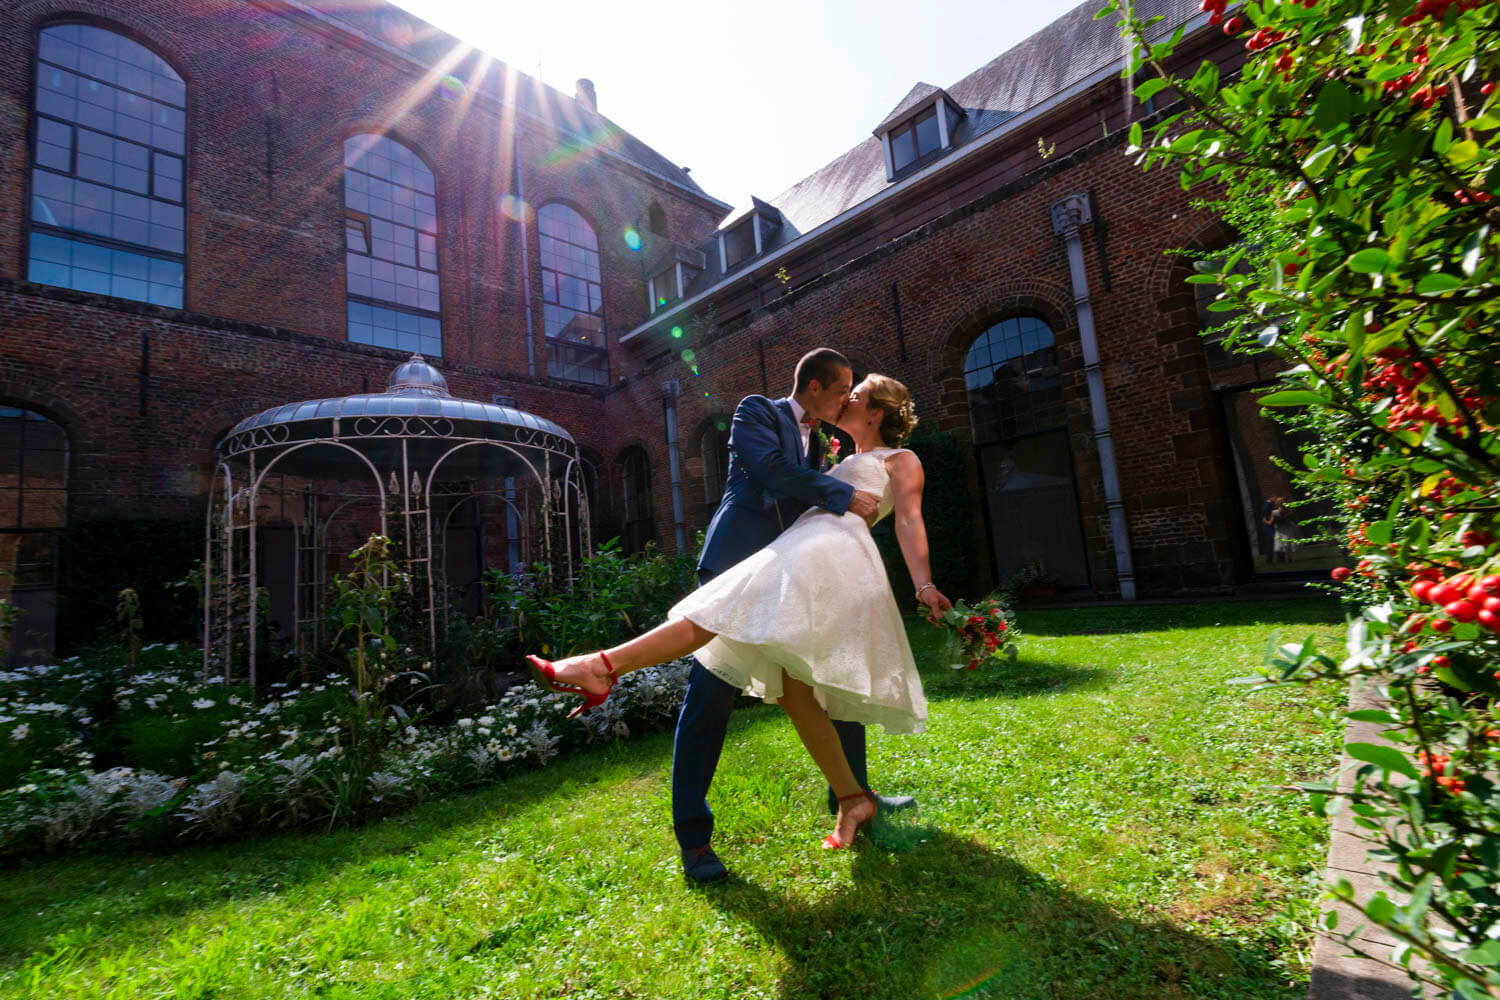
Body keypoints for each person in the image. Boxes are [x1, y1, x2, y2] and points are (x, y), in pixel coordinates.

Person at [526, 370, 953, 864]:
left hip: (826, 556)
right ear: (816, 387)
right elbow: (774, 474)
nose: (844, 401)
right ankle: (715, 830)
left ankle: (853, 797)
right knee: (766, 682)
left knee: (818, 683)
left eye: (853, 397)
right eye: (842, 391)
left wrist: (923, 584)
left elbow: (909, 519)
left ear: (875, 411)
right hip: (780, 554)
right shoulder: (784, 427)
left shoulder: (900, 460)